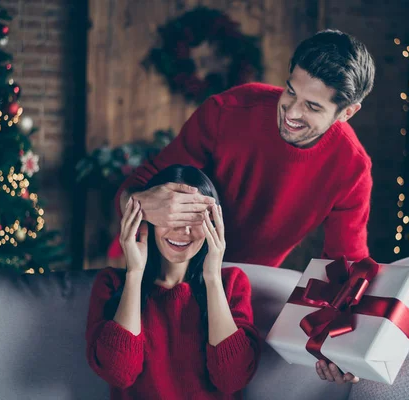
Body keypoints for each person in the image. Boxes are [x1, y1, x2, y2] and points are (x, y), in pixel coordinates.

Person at [115, 29, 375, 384]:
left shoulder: (352, 167)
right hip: (173, 272)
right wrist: (141, 202)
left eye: (313, 106)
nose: (292, 112)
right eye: (291, 91)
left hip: (244, 287)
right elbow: (136, 188)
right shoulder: (228, 111)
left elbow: (344, 269)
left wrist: (346, 348)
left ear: (348, 112)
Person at [86, 165, 261, 399]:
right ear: (147, 218)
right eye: (173, 216)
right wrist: (135, 274)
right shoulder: (111, 284)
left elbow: (232, 379)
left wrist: (212, 279)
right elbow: (118, 373)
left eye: (195, 217)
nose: (184, 230)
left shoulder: (232, 284)